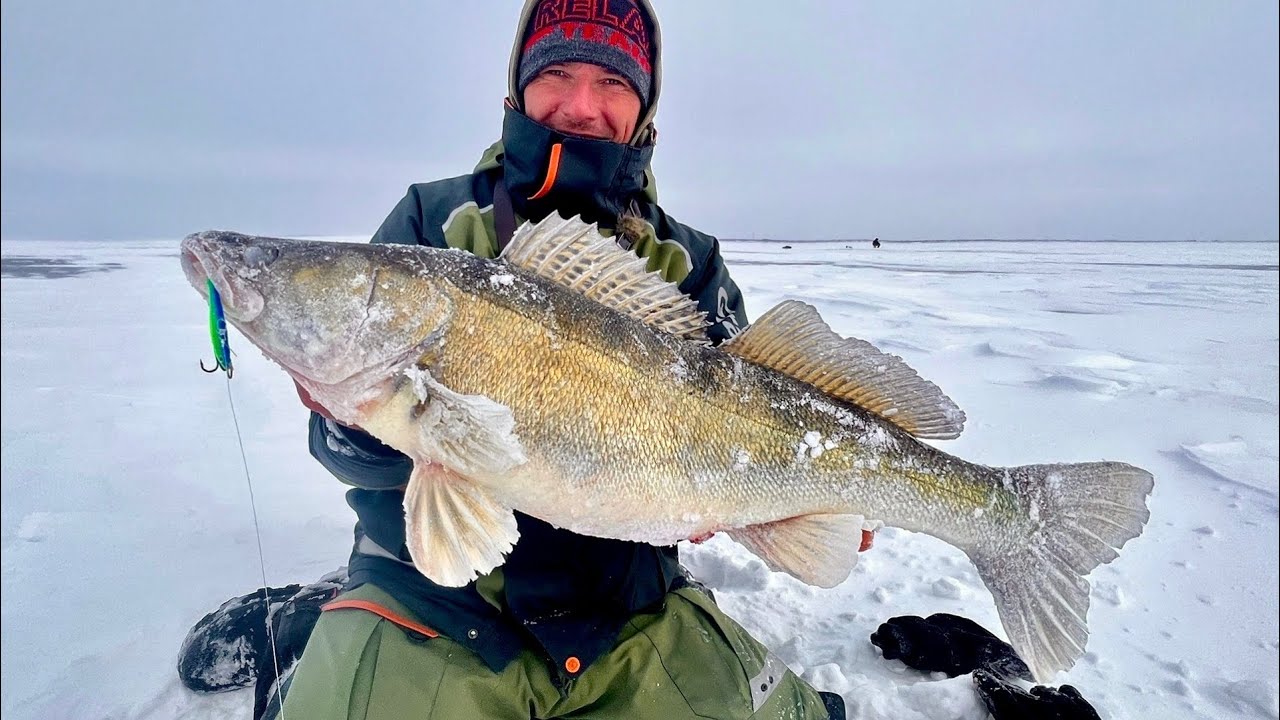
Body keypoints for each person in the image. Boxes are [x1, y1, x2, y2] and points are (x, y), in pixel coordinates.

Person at [268, 1, 845, 717]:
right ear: (516, 89)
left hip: (630, 608)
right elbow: (348, 459)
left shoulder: (689, 261)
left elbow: (767, 418)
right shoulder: (430, 226)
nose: (581, 105)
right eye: (559, 73)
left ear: (644, 104)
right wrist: (356, 421)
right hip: (434, 606)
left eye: (612, 81)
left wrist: (807, 505)